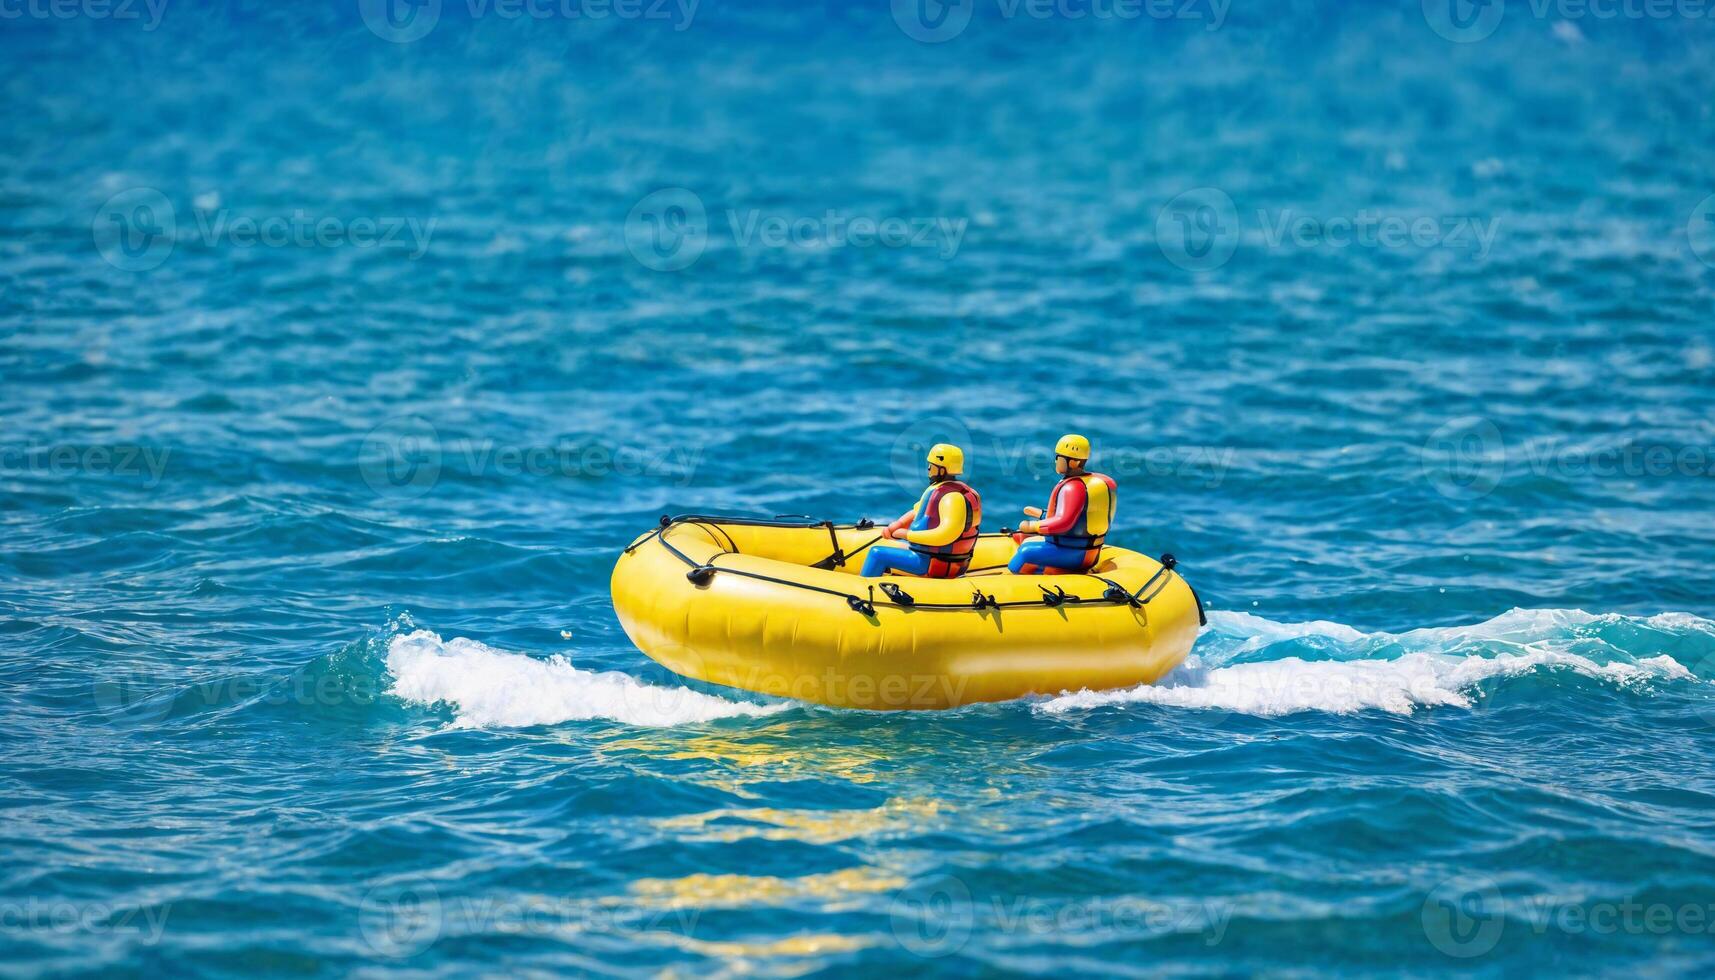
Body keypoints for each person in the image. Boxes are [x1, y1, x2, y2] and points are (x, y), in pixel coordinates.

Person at [859, 443, 982, 578]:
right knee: (894, 548)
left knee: (877, 553)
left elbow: (946, 535)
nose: (928, 469)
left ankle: (862, 590)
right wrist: (897, 525)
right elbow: (918, 512)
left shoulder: (951, 498)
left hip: (933, 563)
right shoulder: (956, 491)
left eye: (931, 466)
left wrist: (906, 534)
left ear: (942, 469)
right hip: (942, 560)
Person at [1009, 434, 1116, 575]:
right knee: (1023, 537)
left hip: (1072, 552)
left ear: (1073, 462)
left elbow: (1063, 523)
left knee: (1026, 552)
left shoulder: (1073, 488)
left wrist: (1032, 525)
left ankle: (1014, 581)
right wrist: (1041, 514)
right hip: (1087, 551)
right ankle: (1046, 571)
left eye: (1058, 457)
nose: (1055, 461)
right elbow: (1078, 519)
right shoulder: (1089, 483)